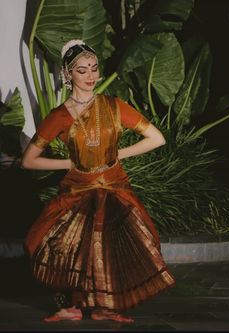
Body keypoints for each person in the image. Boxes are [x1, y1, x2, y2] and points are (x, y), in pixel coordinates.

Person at [22, 39, 175, 323]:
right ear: (68, 75)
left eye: (94, 68)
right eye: (82, 70)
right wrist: (72, 163)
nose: (91, 76)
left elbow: (157, 138)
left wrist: (117, 154)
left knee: (108, 249)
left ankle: (105, 307)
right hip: (77, 189)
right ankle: (72, 306)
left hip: (113, 185)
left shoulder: (113, 106)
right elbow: (29, 160)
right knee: (57, 246)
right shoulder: (59, 116)